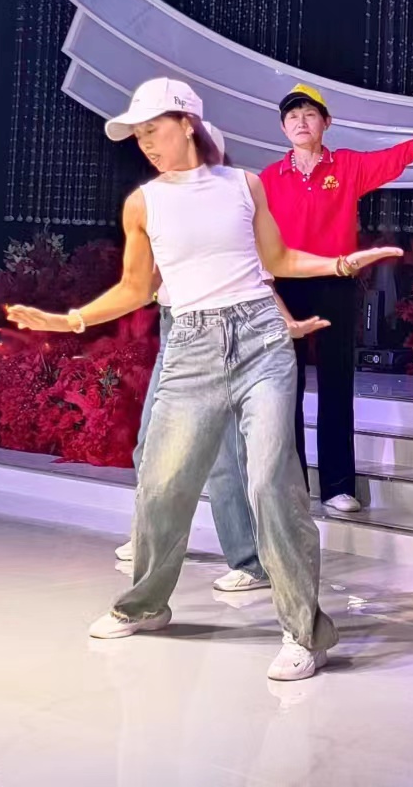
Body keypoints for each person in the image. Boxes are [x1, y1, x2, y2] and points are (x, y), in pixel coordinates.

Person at [6, 77, 400, 681]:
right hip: (191, 347)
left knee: (271, 482)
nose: (144, 143)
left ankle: (304, 631)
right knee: (162, 482)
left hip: (261, 342)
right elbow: (136, 287)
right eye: (137, 135)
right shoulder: (144, 203)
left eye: (153, 129)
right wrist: (70, 320)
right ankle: (145, 604)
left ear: (186, 124)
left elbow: (276, 261)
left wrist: (341, 263)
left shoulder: (244, 185)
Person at [111, 127, 328, 595]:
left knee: (226, 456)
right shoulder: (160, 203)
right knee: (151, 443)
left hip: (230, 333)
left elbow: (263, 277)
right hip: (178, 329)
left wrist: (284, 323)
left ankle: (250, 559)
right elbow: (145, 281)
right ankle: (151, 540)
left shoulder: (234, 203)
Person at [258, 83, 413, 513]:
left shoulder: (346, 167)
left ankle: (337, 486)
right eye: (292, 117)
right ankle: (290, 487)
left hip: (335, 282)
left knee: (336, 382)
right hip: (286, 287)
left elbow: (390, 160)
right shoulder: (269, 179)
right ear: (282, 128)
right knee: (285, 386)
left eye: (309, 115)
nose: (300, 122)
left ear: (326, 122)